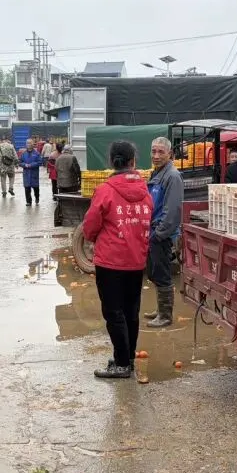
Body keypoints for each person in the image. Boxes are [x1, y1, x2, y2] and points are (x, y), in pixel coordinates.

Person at [81, 141, 153, 379]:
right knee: (131, 311)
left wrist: (93, 239)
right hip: (136, 259)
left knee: (113, 313)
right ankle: (127, 357)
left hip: (110, 261)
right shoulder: (145, 190)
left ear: (112, 161)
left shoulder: (105, 189)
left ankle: (122, 363)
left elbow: (90, 224)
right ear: (133, 162)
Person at [145, 137, 183, 328]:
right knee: (154, 271)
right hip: (154, 231)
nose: (156, 156)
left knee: (162, 273)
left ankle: (166, 315)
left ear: (170, 154)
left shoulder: (172, 176)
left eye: (161, 152)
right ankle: (160, 309)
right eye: (153, 151)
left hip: (162, 233)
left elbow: (173, 210)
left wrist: (159, 234)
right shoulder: (157, 173)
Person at [20, 139, 43, 205]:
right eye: (27, 143)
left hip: (34, 174)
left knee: (36, 188)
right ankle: (28, 202)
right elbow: (20, 162)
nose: (28, 144)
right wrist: (24, 165)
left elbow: (40, 162)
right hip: (26, 174)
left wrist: (31, 165)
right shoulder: (23, 153)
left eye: (30, 143)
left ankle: (37, 198)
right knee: (27, 188)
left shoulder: (36, 153)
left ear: (33, 144)